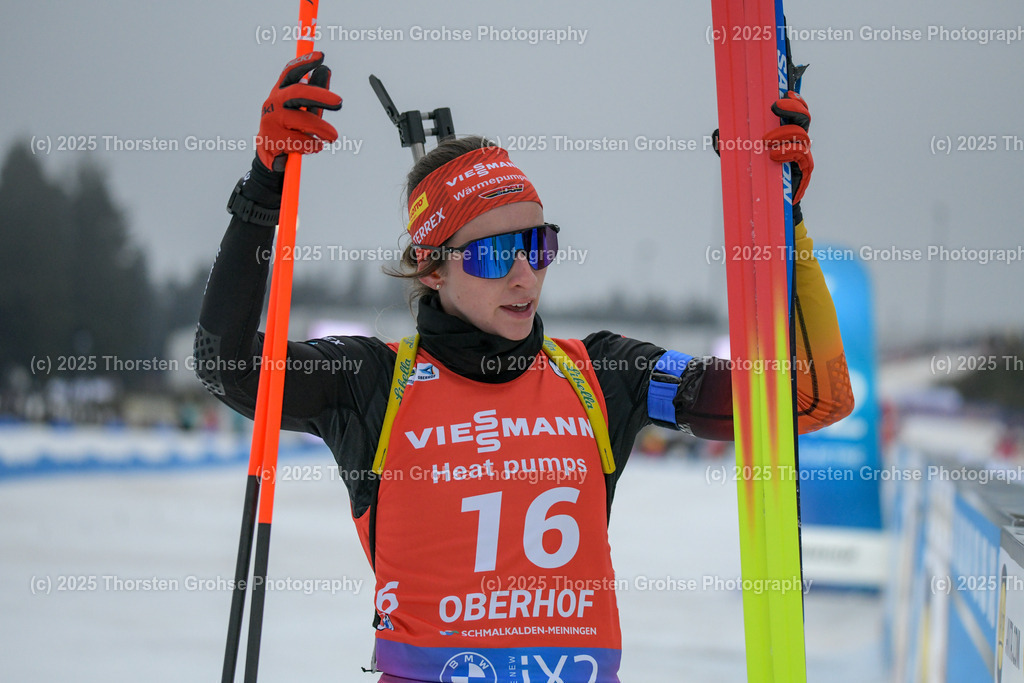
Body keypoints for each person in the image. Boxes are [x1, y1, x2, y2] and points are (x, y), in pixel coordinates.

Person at [195, 51, 853, 683]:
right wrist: (264, 187)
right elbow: (227, 364)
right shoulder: (373, 383)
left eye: (538, 246)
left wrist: (780, 216)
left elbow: (809, 396)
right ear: (431, 267)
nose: (523, 275)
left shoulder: (600, 375)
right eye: (492, 254)